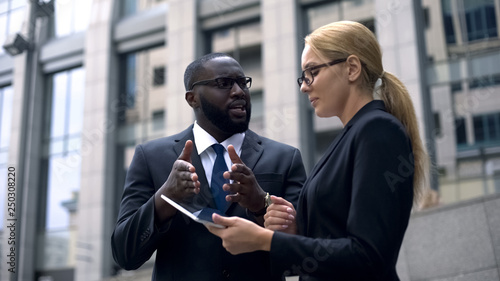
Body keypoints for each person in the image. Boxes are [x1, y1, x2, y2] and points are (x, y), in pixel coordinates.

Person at [207, 21, 430, 281]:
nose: (304, 86)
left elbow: (368, 255)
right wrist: (295, 227)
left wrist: (265, 240)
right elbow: (334, 238)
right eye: (304, 76)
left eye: (312, 71)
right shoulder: (353, 135)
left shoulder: (377, 130)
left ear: (352, 68)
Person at [111, 52, 307, 281]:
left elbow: (303, 256)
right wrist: (165, 197)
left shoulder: (285, 157)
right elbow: (125, 255)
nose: (238, 91)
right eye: (224, 83)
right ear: (192, 98)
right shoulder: (151, 157)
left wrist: (260, 205)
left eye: (243, 83)